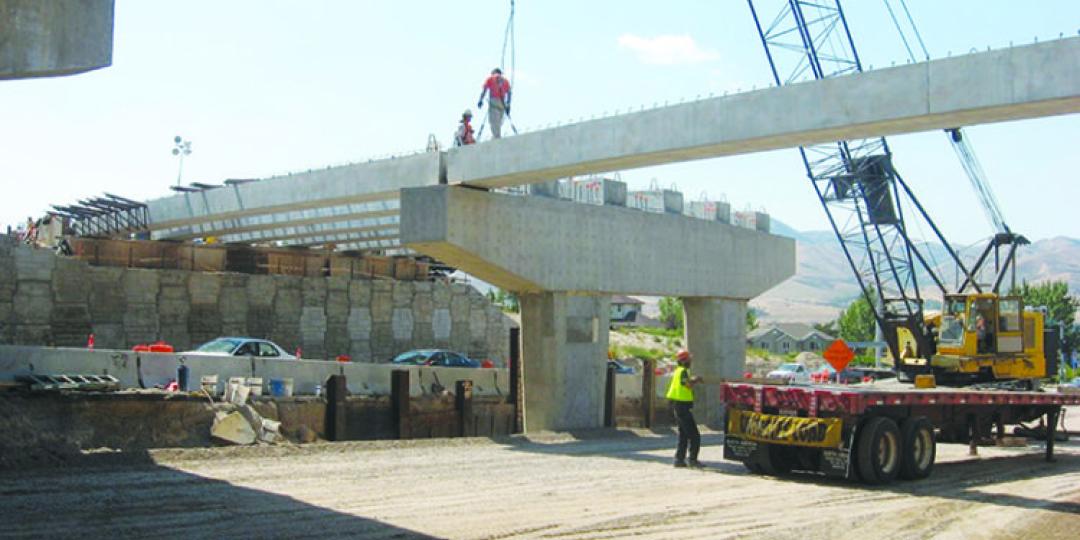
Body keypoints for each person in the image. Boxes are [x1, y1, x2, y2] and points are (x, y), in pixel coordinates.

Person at [665, 349, 703, 468]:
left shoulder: (678, 371)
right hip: (683, 407)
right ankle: (692, 460)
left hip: (678, 406)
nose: (690, 361)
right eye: (689, 359)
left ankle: (679, 460)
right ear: (684, 360)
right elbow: (686, 384)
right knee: (694, 435)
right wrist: (696, 380)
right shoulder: (683, 372)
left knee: (683, 434)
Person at [477, 67, 511, 139]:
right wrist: (508, 105)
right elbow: (509, 93)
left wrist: (480, 100)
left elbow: (484, 90)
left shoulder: (491, 78)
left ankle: (496, 138)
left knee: (494, 122)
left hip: (494, 102)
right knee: (498, 122)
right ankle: (497, 136)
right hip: (502, 104)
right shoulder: (505, 81)